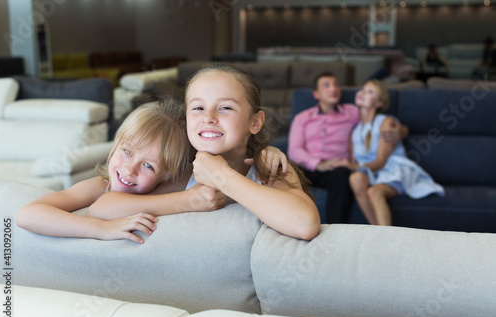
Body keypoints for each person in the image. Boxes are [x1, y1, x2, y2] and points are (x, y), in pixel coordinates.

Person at [17, 98, 288, 243]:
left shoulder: (178, 180)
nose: (128, 169)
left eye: (149, 165)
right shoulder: (101, 184)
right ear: (116, 142)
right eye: (126, 150)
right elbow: (28, 214)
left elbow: (233, 165)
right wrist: (99, 230)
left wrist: (265, 153)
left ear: (169, 174)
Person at [185, 63, 320, 240]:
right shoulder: (178, 172)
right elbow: (135, 201)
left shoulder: (270, 171)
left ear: (255, 122)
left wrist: (221, 176)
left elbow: (305, 224)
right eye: (198, 108)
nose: (208, 117)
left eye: (225, 107)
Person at [287, 72, 407, 224]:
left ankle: (335, 230)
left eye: (336, 84)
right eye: (327, 85)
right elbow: (294, 150)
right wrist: (318, 164)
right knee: (284, 169)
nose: (333, 89)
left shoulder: (353, 112)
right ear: (316, 94)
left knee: (343, 174)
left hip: (335, 169)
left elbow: (378, 119)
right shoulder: (302, 118)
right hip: (309, 167)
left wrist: (401, 131)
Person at [335, 80, 445, 226]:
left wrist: (352, 166)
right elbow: (354, 162)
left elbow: (381, 161)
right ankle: (378, 232)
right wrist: (349, 165)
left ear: (379, 103)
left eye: (370, 91)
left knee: (374, 192)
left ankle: (385, 237)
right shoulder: (354, 131)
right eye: (363, 89)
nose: (362, 92)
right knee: (355, 179)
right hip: (371, 172)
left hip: (391, 169)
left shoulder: (385, 123)